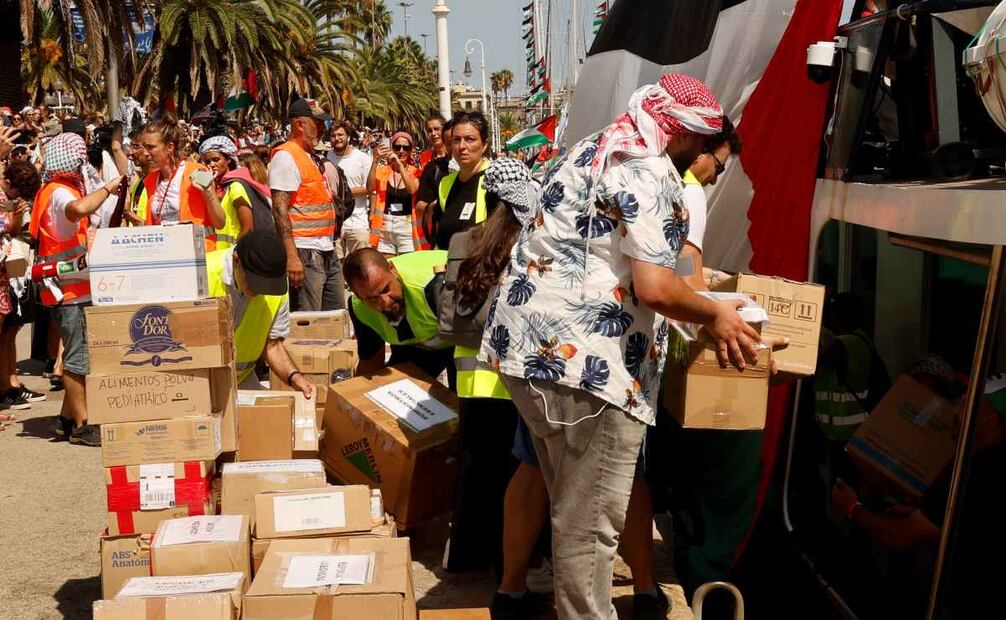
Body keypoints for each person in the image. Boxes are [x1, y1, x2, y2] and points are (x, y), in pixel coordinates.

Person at [478, 73, 760, 618]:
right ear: (680, 133)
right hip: (588, 370)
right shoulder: (649, 170)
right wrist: (716, 315)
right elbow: (655, 286)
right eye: (702, 143)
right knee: (590, 530)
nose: (703, 156)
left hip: (529, 354)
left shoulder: (591, 147)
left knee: (570, 507)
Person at [442, 159, 539, 586]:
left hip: (471, 378)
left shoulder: (464, 240)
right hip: (513, 379)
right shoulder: (529, 241)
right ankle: (510, 571)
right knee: (514, 478)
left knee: (475, 473)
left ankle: (463, 560)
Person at [29, 132, 124, 447]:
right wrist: (109, 188)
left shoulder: (56, 188)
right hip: (68, 292)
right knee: (77, 360)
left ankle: (66, 419)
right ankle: (83, 425)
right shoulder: (58, 192)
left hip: (74, 289)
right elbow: (77, 210)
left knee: (79, 357)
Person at [205, 229, 314, 398]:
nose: (258, 292)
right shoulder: (203, 274)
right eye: (254, 284)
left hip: (240, 379)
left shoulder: (275, 287)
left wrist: (295, 378)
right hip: (201, 380)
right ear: (236, 261)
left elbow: (272, 345)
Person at [268, 99, 344, 311]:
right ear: (300, 124)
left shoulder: (309, 156)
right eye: (317, 123)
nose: (322, 129)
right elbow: (279, 209)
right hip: (305, 251)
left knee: (335, 316)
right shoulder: (286, 156)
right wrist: (292, 257)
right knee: (311, 320)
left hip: (325, 248)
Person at [343, 248, 455, 388]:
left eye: (386, 289)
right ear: (359, 295)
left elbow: (472, 341)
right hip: (420, 344)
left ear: (393, 270)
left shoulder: (434, 286)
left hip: (463, 337)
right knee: (393, 392)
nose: (385, 302)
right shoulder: (360, 309)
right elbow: (371, 361)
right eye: (373, 298)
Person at [138, 116, 225, 252]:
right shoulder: (150, 180)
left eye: (151, 147)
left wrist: (208, 192)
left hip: (197, 256)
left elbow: (220, 222)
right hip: (166, 257)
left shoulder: (196, 172)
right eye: (143, 147)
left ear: (170, 147)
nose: (145, 153)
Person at [0, 160, 44, 416]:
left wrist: (15, 219)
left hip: (8, 276)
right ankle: (6, 388)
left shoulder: (10, 200)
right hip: (4, 275)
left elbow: (12, 233)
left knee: (10, 330)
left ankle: (11, 384)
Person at [432, 111, 491, 251]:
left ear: (484, 145)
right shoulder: (445, 183)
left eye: (469, 139)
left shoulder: (496, 181)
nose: (462, 146)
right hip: (447, 268)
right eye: (456, 140)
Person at [367, 131, 422, 255]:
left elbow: (412, 189)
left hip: (406, 226)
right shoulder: (383, 171)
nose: (401, 151)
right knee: (386, 268)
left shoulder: (416, 172)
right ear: (392, 148)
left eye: (406, 148)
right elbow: (370, 188)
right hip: (385, 224)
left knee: (406, 268)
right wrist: (375, 161)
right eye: (397, 147)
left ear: (410, 151)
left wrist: (400, 166)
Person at [199, 136, 255, 249]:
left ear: (228, 159)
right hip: (216, 255)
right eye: (207, 161)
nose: (211, 164)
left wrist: (236, 251)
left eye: (216, 159)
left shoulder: (235, 187)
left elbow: (248, 227)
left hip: (231, 255)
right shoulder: (212, 186)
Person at [328, 121, 372, 256]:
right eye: (333, 135)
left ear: (348, 137)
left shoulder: (363, 158)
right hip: (335, 225)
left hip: (358, 223)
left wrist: (344, 191)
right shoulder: (327, 158)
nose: (337, 138)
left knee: (360, 265)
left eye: (340, 135)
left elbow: (370, 188)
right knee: (337, 269)